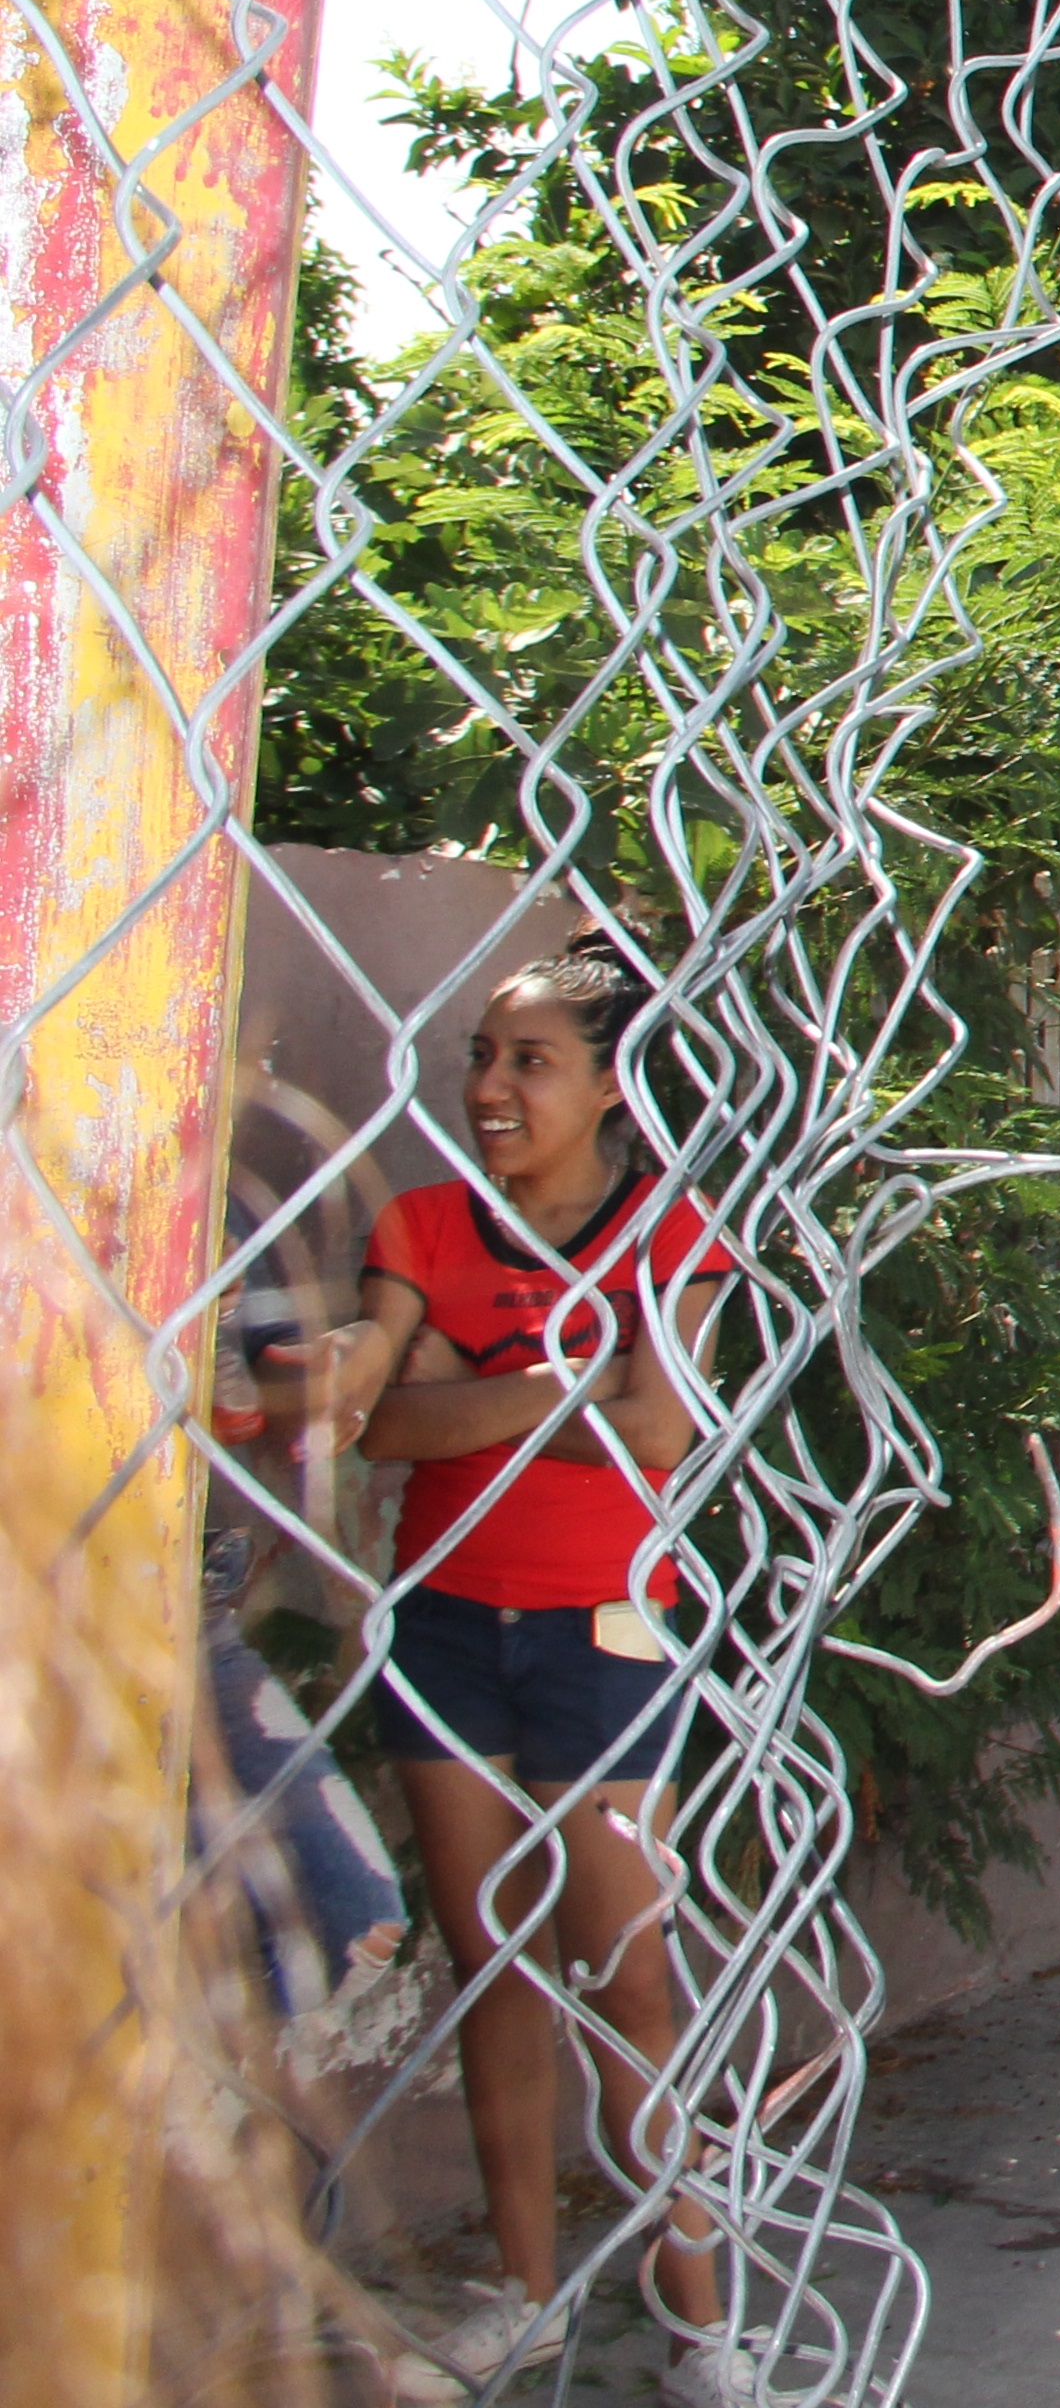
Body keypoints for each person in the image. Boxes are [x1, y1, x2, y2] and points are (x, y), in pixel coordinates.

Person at [307, 948, 760, 2406]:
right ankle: (526, 2291)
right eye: (481, 1057)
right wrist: (565, 1390)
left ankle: (701, 2327)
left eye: (528, 1061)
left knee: (626, 1983)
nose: (489, 1088)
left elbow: (663, 1434)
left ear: (612, 1080)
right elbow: (377, 1426)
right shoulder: (425, 1220)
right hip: (444, 1629)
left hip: (605, 1632)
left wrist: (470, 1399)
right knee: (493, 1968)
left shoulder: (673, 1227)